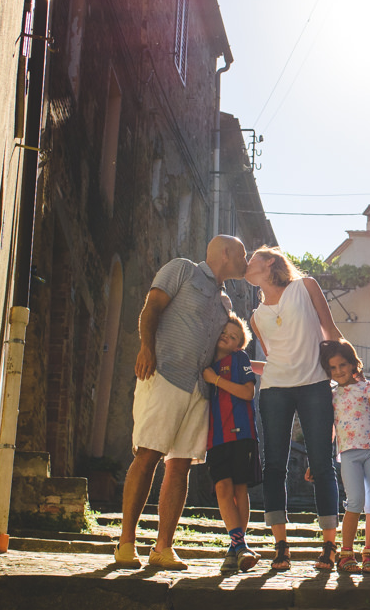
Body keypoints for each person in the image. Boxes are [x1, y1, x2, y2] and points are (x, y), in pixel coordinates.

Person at [114, 234, 248, 570]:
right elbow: (152, 308)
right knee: (148, 454)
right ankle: (126, 543)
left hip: (199, 390)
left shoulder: (226, 304)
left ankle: (163, 548)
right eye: (243, 255)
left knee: (180, 465)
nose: (245, 263)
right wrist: (146, 348)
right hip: (165, 374)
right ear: (226, 253)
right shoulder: (183, 270)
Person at [244, 245, 344, 571]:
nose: (246, 264)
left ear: (270, 262)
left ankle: (329, 546)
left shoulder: (306, 287)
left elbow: (330, 332)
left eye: (251, 259)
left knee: (322, 464)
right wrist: (242, 366)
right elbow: (275, 357)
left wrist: (351, 373)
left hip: (315, 384)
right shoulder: (256, 317)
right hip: (274, 390)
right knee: (274, 465)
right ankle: (281, 547)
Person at [202, 314, 261, 574]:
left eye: (234, 336)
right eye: (224, 332)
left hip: (241, 433)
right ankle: (239, 547)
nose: (227, 336)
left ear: (239, 345)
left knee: (239, 489)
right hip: (215, 436)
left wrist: (215, 380)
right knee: (222, 487)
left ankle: (237, 545)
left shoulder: (239, 359)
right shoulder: (205, 360)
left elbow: (248, 392)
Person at [323, 340, 370, 574]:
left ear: (352, 364)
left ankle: (369, 554)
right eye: (333, 367)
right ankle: (346, 553)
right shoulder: (331, 396)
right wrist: (317, 460)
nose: (338, 371)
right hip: (348, 454)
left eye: (342, 365)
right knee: (355, 501)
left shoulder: (367, 388)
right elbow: (329, 430)